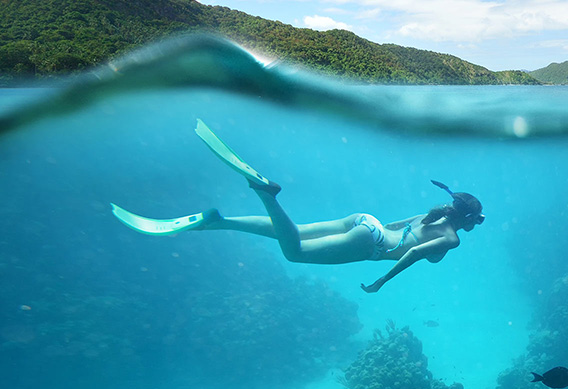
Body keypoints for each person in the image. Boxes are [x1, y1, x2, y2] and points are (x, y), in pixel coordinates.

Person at [111, 120, 484, 293]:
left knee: (292, 231)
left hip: (365, 222)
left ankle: (218, 220)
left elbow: (390, 224)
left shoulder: (431, 212)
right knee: (295, 253)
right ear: (467, 220)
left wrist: (367, 233)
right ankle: (266, 194)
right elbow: (413, 253)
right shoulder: (452, 239)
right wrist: (381, 281)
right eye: (475, 221)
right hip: (371, 245)